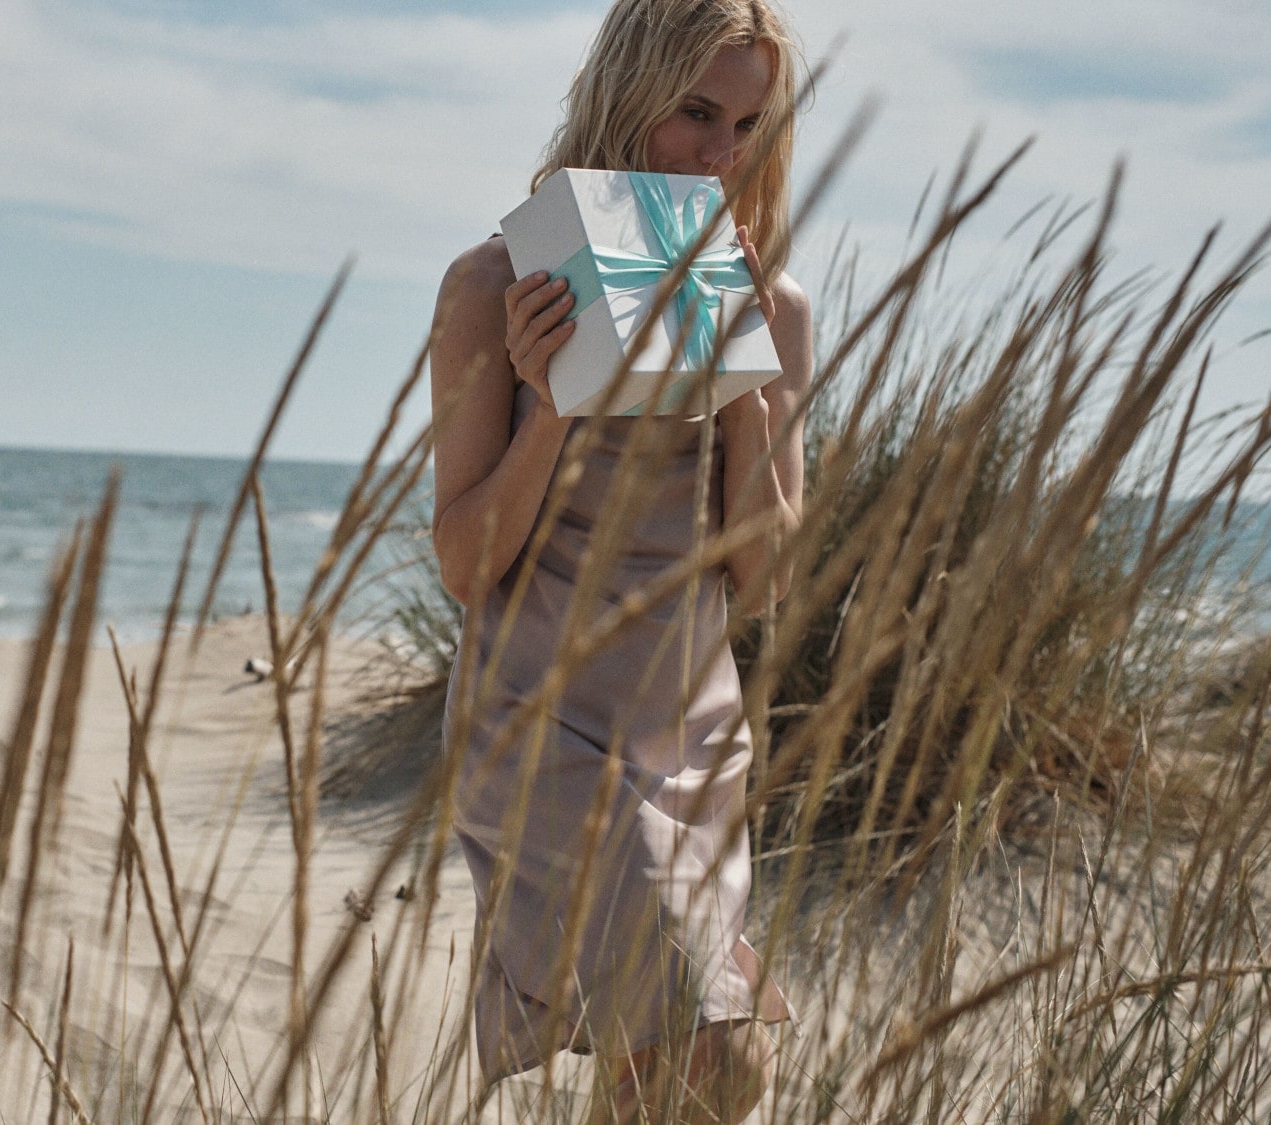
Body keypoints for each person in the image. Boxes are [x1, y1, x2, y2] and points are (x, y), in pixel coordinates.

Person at [429, 0, 812, 1119]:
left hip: (688, 735)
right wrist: (550, 405)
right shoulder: (494, 284)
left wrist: (743, 376)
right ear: (626, 94)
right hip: (538, 723)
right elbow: (464, 563)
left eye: (745, 125)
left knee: (692, 1068)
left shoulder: (774, 307)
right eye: (696, 112)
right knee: (719, 1056)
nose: (719, 155)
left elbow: (765, 581)